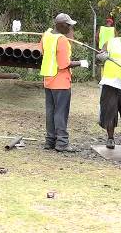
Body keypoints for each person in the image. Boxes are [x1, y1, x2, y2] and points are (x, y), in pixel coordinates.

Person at [40, 13, 89, 153]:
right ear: (61, 25)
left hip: (48, 79)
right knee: (61, 112)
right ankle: (62, 142)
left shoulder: (47, 35)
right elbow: (64, 64)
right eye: (68, 25)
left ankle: (50, 141)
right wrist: (81, 63)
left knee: (50, 111)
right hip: (61, 82)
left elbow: (44, 52)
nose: (70, 28)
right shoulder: (62, 41)